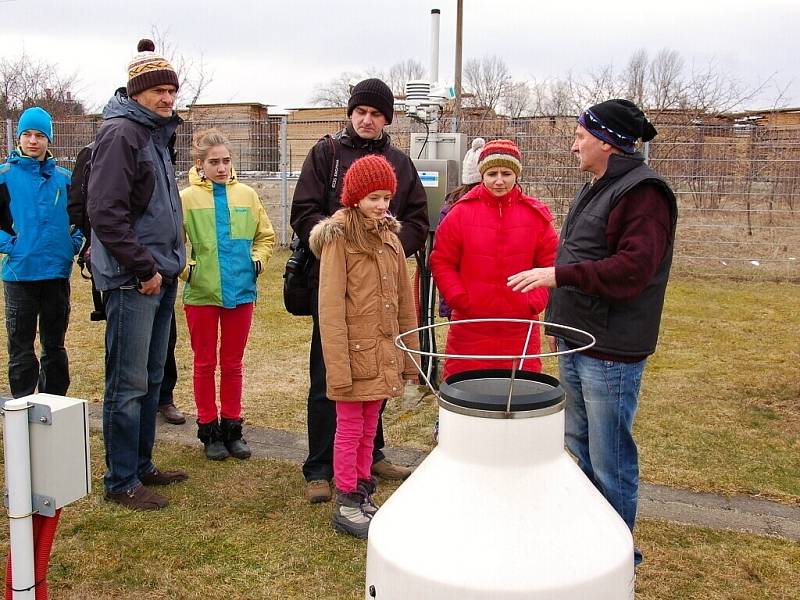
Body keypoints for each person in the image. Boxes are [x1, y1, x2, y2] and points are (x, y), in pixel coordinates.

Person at [507, 99, 678, 566]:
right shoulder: (601, 186)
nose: (574, 144)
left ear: (606, 141)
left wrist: (557, 278)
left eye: (581, 135)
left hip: (610, 349)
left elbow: (631, 270)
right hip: (577, 337)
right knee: (580, 446)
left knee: (610, 454)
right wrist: (558, 320)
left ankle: (615, 555)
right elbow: (582, 253)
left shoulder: (643, 194)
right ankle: (589, 537)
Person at [290, 77, 429, 504]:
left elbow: (418, 222)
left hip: (381, 293)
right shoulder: (326, 153)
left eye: (375, 114)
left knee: (379, 372)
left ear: (387, 118)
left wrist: (384, 253)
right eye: (360, 112)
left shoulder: (400, 163)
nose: (367, 120)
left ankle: (372, 457)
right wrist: (345, 247)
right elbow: (303, 213)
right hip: (333, 284)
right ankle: (320, 466)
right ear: (350, 114)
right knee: (329, 374)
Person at [88, 39, 188, 511]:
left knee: (150, 378)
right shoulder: (122, 134)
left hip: (161, 276)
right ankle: (120, 479)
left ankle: (142, 465)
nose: (168, 98)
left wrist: (171, 261)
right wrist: (144, 267)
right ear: (137, 92)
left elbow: (159, 209)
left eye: (172, 89)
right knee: (126, 384)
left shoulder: (156, 134)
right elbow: (105, 213)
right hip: (134, 280)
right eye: (158, 91)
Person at [309, 154, 420, 538]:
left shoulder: (391, 238)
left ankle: (363, 487)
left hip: (382, 353)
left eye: (387, 197)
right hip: (353, 356)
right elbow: (330, 305)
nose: (382, 205)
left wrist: (409, 358)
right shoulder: (340, 238)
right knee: (350, 427)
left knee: (370, 426)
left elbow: (406, 302)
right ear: (355, 197)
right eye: (374, 197)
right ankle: (346, 498)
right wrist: (337, 368)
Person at [179, 129, 275, 460]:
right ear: (200, 164)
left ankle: (233, 428)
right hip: (202, 295)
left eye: (226, 160)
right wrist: (187, 270)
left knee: (232, 363)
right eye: (214, 162)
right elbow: (171, 243)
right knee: (205, 363)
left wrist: (257, 262)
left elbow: (266, 235)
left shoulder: (247, 195)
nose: (221, 168)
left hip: (242, 292)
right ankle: (209, 430)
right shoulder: (186, 198)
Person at [430, 139, 558, 380]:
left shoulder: (536, 215)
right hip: (470, 326)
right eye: (492, 173)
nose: (499, 180)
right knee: (466, 393)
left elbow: (548, 261)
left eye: (506, 173)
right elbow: (442, 260)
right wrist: (458, 297)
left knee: (518, 394)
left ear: (516, 174)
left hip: (519, 326)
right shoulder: (460, 213)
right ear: (482, 175)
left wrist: (534, 299)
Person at [0, 107, 82, 398]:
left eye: (39, 135)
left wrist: (72, 242)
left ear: (49, 139)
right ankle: (23, 408)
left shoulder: (64, 178)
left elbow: (80, 217)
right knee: (21, 347)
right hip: (20, 275)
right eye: (27, 134)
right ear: (19, 138)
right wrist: (11, 244)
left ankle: (55, 404)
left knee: (54, 346)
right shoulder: (5, 176)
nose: (33, 141)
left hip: (56, 273)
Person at [437, 136, 484, 320]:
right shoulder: (455, 209)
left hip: (458, 299)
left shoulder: (450, 205)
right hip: (462, 301)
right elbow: (443, 259)